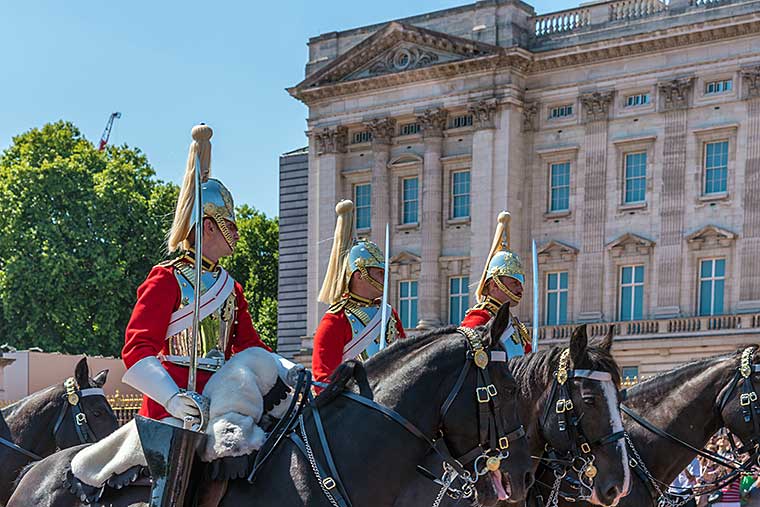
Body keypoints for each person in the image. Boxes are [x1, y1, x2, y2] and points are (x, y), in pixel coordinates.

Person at [120, 124, 288, 427]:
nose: (237, 234)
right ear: (209, 226)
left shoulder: (231, 288)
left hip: (226, 395)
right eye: (231, 226)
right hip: (174, 404)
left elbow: (250, 347)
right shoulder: (166, 278)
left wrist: (290, 371)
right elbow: (138, 348)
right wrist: (171, 398)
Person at [311, 200, 406, 383]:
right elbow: (323, 381)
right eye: (379, 273)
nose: (384, 279)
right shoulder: (335, 320)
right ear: (359, 275)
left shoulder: (389, 314)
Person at [460, 211, 531, 357]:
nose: (520, 288)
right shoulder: (480, 318)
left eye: (521, 283)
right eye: (514, 283)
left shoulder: (517, 327)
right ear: (494, 285)